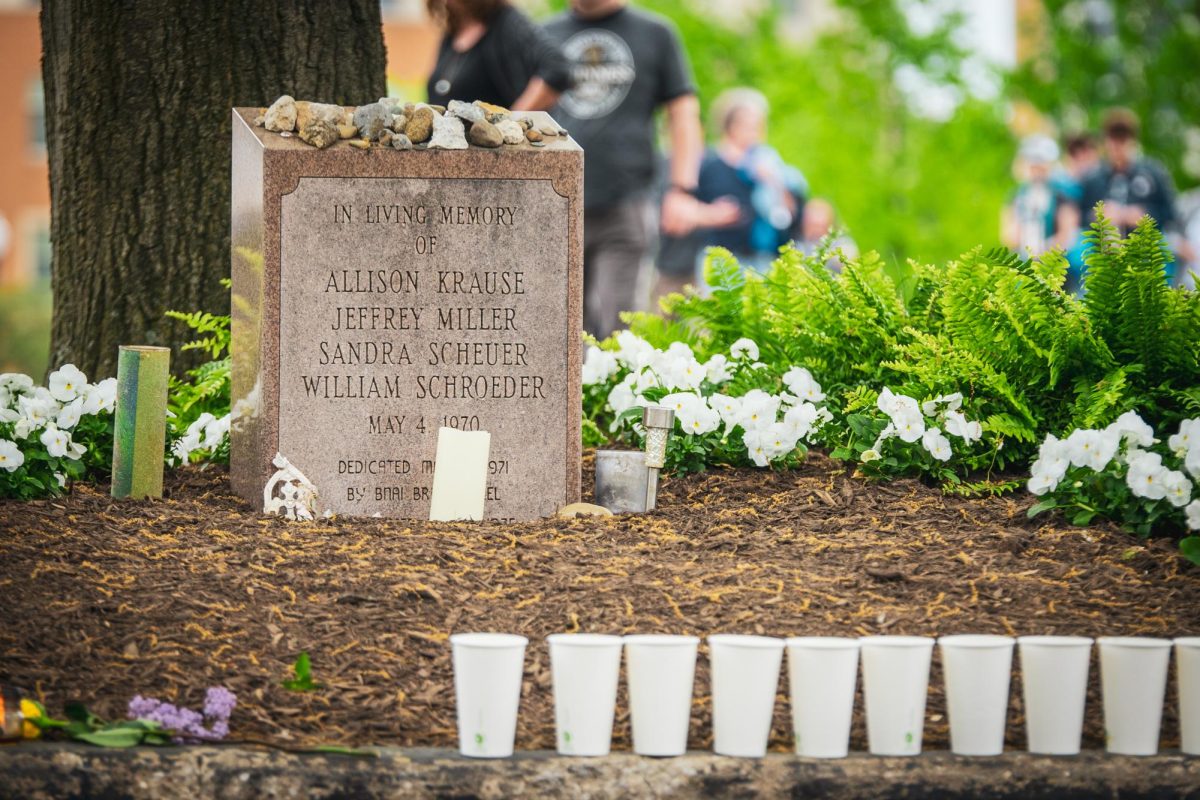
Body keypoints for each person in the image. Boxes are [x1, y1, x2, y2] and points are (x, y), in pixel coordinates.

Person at [544, 0, 738, 337]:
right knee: (558, 331)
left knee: (619, 330)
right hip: (553, 206)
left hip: (626, 206)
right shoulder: (544, 34)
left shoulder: (655, 33)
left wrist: (682, 189)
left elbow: (684, 115)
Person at [692, 88, 806, 275]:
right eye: (750, 126)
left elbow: (792, 215)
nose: (757, 133)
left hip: (763, 260)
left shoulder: (770, 163)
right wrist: (711, 214)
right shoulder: (708, 164)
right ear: (731, 125)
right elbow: (681, 209)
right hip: (720, 263)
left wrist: (773, 181)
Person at [426, 0, 569, 110]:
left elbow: (557, 68)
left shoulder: (506, 22)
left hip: (486, 146)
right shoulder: (454, 30)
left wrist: (513, 122)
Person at [1002, 135, 1081, 264]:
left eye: (1041, 165)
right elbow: (1009, 236)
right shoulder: (1017, 196)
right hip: (1024, 260)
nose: (1036, 170)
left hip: (1056, 262)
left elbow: (1068, 234)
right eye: (1033, 165)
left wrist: (1044, 248)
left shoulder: (1062, 195)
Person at [796, 198, 857, 272]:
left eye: (819, 226)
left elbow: (850, 264)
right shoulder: (798, 245)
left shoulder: (843, 244)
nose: (815, 232)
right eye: (812, 225)